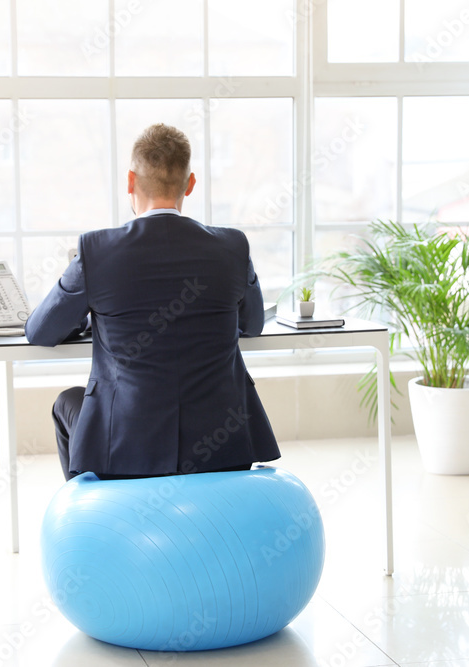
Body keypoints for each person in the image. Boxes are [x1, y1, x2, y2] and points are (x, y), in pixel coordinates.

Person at [24, 123, 280, 481]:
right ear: (189, 185)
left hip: (126, 452)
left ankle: (95, 518)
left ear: (130, 181)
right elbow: (252, 324)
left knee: (68, 400)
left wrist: (87, 318)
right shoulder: (232, 247)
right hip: (223, 448)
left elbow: (39, 331)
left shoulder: (96, 250)